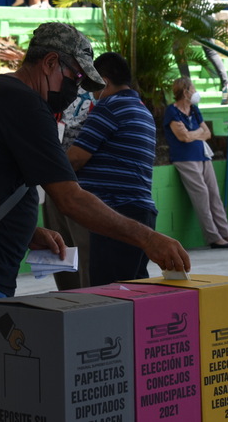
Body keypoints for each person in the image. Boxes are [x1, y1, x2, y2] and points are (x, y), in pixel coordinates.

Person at [0, 22, 190, 421]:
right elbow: (70, 198)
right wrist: (147, 238)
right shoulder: (25, 105)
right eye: (76, 77)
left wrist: (26, 231)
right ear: (49, 63)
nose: (78, 89)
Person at [66, 52, 159, 286]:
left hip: (115, 214)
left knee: (110, 293)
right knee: (133, 288)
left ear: (104, 81)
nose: (92, 93)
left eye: (93, 85)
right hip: (140, 213)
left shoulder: (109, 107)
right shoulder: (140, 109)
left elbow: (76, 159)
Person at [164, 77, 228, 249]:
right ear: (185, 92)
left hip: (202, 155)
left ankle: (226, 233)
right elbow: (182, 137)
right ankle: (213, 237)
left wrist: (193, 134)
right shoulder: (172, 111)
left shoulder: (194, 110)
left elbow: (207, 133)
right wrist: (197, 133)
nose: (195, 92)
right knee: (202, 195)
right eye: (192, 89)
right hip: (185, 158)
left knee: (214, 194)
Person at [42, 87, 93, 290]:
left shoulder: (100, 93)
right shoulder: (54, 90)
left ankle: (90, 304)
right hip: (54, 181)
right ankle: (68, 301)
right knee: (60, 250)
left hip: (83, 184)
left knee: (86, 251)